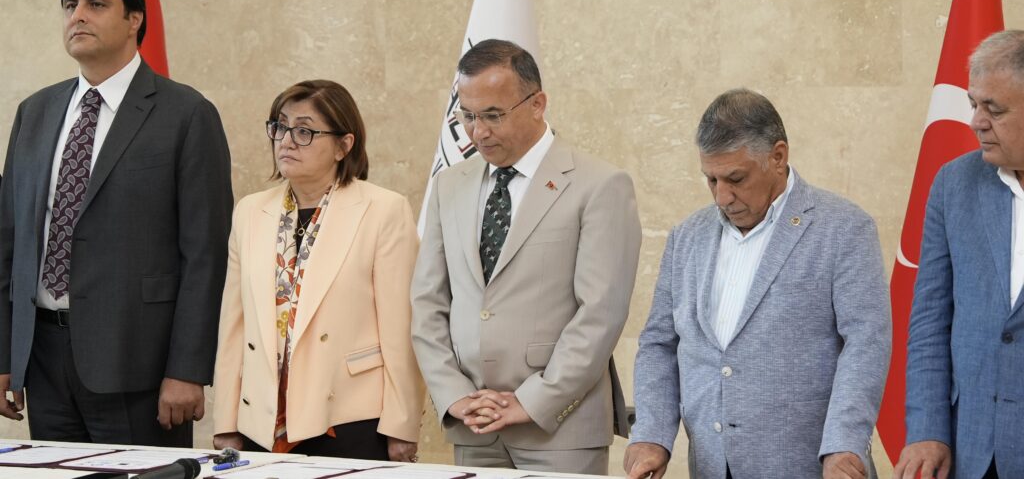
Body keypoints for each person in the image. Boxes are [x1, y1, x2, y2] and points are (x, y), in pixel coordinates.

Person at [0, 0, 233, 445]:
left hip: (138, 365)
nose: (78, 16)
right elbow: (8, 244)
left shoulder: (186, 114)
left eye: (96, 4)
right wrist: (4, 354)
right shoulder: (35, 112)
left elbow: (205, 256)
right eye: (70, 5)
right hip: (42, 359)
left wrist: (187, 369)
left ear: (134, 20)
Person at [625, 88, 891, 479]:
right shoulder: (687, 237)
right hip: (712, 468)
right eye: (711, 179)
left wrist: (844, 444)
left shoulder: (844, 228)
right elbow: (659, 344)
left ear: (778, 157)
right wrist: (651, 435)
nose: (722, 196)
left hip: (812, 468)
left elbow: (866, 343)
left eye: (736, 178)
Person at [411, 39, 641, 475]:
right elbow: (428, 303)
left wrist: (533, 400)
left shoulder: (600, 185)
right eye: (467, 116)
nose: (479, 132)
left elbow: (601, 313)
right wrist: (454, 394)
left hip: (559, 431)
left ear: (538, 104)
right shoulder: (449, 185)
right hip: (474, 425)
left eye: (493, 115)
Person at [212, 80, 423, 461]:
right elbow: (234, 326)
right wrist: (226, 420)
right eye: (280, 126)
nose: (286, 141)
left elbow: (400, 329)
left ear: (344, 145)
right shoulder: (250, 211)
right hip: (262, 417)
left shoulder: (383, 210)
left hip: (351, 416)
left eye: (304, 131)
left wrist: (402, 425)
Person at [895, 30, 1024, 479]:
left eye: (994, 109)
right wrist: (927, 430)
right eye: (973, 104)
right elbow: (930, 321)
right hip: (972, 450)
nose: (975, 122)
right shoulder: (953, 184)